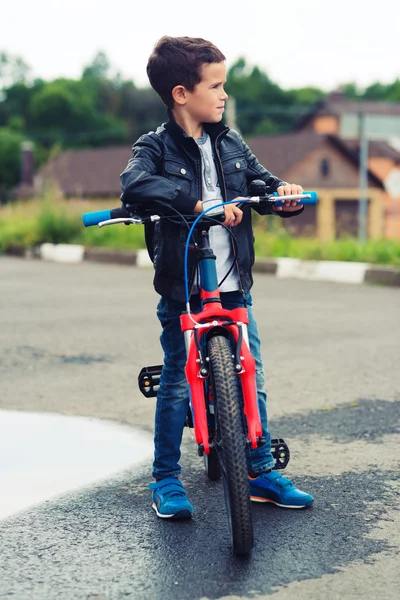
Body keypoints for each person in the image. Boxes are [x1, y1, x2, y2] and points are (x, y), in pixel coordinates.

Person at [120, 35, 314, 519]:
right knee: (178, 381)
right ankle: (165, 477)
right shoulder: (155, 147)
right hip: (183, 286)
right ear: (182, 94)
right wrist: (195, 204)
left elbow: (263, 185)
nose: (225, 95)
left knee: (254, 371)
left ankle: (259, 469)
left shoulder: (230, 142)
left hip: (232, 281)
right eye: (216, 85)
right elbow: (135, 184)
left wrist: (283, 197)